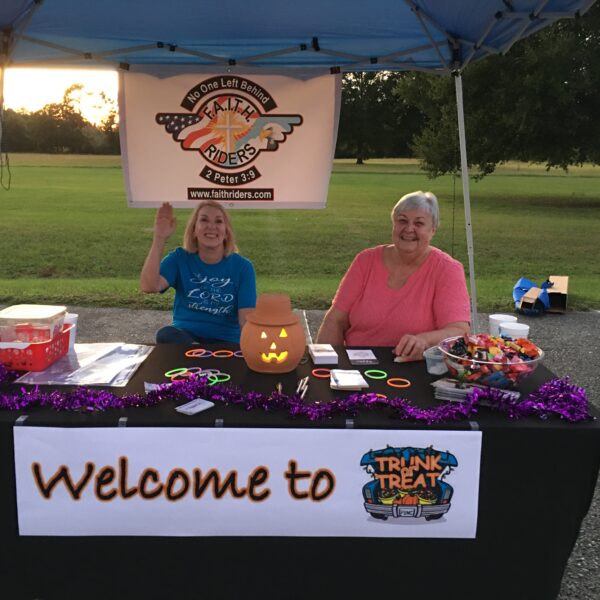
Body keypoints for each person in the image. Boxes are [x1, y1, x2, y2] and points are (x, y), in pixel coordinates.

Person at [316, 191, 470, 360]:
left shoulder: (447, 269)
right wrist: (323, 365)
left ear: (433, 230)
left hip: (416, 368)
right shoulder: (365, 261)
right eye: (402, 221)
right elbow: (335, 320)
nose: (409, 229)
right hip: (357, 365)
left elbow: (458, 332)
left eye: (419, 223)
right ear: (393, 224)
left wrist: (424, 340)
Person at [140, 200, 257, 344]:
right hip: (186, 338)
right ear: (194, 230)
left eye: (219, 221)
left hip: (226, 341)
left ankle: (201, 355)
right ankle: (199, 353)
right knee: (165, 334)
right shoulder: (179, 258)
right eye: (204, 220)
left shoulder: (243, 267)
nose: (211, 226)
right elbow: (149, 286)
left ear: (226, 232)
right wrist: (159, 238)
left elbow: (246, 320)